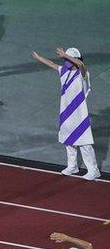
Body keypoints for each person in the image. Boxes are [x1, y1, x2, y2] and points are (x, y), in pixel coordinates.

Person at [32, 48, 101, 180]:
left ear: (75, 60)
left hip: (79, 113)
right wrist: (39, 57)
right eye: (65, 59)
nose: (66, 61)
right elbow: (52, 64)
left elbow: (81, 65)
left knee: (84, 142)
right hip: (66, 111)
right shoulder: (64, 71)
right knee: (68, 140)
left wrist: (65, 55)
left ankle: (93, 170)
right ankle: (72, 166)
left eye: (68, 59)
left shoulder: (83, 73)